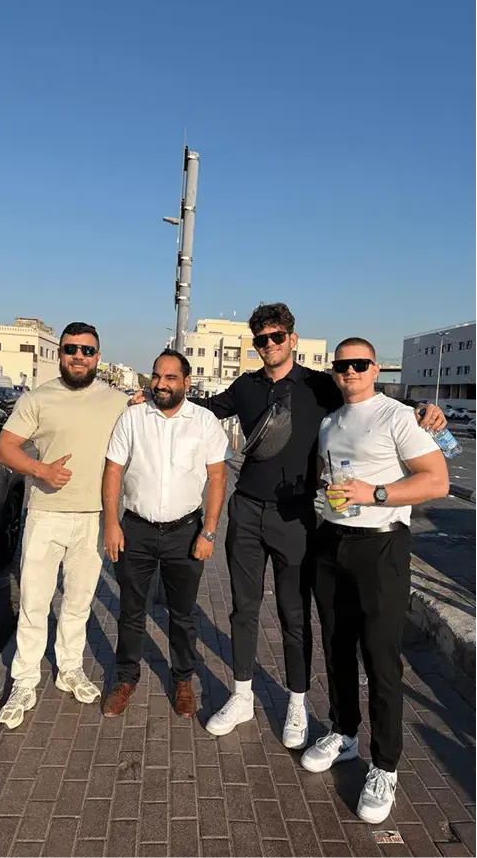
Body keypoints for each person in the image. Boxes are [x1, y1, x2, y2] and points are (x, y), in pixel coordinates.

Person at [131, 304, 445, 750]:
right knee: (243, 608)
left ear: (292, 340)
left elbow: (371, 400)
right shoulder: (245, 386)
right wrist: (154, 395)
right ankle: (242, 696)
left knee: (293, 614)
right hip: (246, 511)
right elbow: (198, 407)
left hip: (297, 518)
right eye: (261, 339)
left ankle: (297, 703)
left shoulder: (321, 385)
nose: (269, 346)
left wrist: (422, 408)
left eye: (276, 337)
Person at [301, 338, 449, 825]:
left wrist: (377, 492)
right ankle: (344, 733)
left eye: (359, 364)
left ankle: (386, 765)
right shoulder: (330, 421)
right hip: (333, 542)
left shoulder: (397, 416)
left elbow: (436, 480)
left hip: (381, 545)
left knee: (381, 657)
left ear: (375, 367)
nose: (349, 373)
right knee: (337, 647)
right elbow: (332, 474)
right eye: (341, 366)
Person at [0, 322, 128, 729]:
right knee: (34, 603)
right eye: (71, 349)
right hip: (46, 515)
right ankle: (24, 680)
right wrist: (40, 470)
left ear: (98, 357)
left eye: (87, 350)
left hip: (91, 518)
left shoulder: (117, 401)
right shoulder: (39, 398)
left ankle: (69, 668)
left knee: (78, 602)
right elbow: (3, 447)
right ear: (60, 354)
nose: (79, 357)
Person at [101, 350, 232, 718]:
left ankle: (183, 680)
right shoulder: (133, 418)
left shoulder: (204, 422)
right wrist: (112, 523)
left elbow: (218, 477)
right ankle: (126, 678)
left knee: (184, 613)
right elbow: (113, 471)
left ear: (186, 383)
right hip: (136, 530)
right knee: (130, 610)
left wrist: (208, 532)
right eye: (157, 376)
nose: (161, 383)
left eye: (171, 377)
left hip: (185, 531)